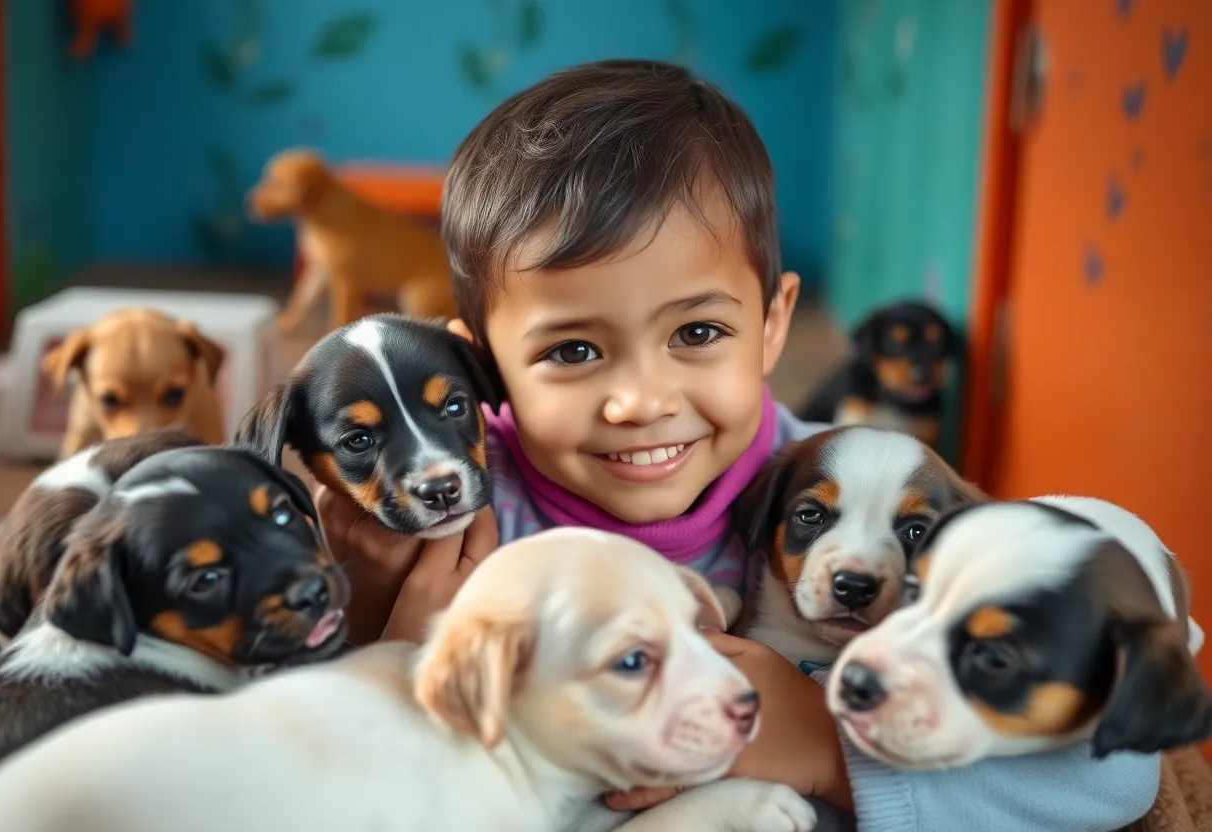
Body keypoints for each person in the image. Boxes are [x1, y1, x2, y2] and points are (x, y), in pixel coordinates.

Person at [315, 59, 1160, 830]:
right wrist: (374, 630)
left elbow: (1116, 780)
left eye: (698, 330)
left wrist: (825, 751)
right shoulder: (449, 516)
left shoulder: (861, 493)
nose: (642, 401)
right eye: (573, 350)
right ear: (484, 366)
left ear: (773, 325)